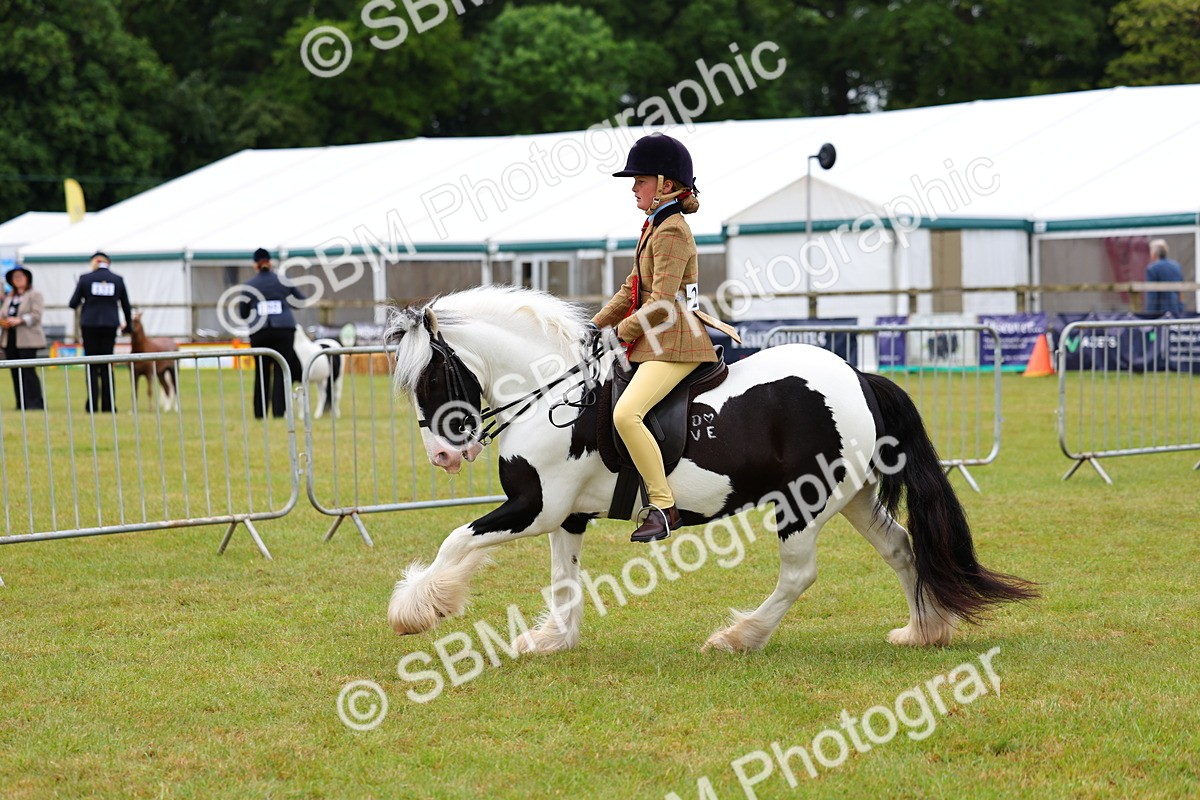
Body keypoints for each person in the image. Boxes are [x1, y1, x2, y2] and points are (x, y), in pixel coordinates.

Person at [592, 133, 729, 543]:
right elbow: (631, 288)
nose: (633, 186)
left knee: (625, 414)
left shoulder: (671, 231)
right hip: (659, 338)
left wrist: (618, 333)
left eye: (640, 179)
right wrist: (592, 326)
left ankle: (664, 507)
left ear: (666, 185)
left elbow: (662, 304)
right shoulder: (655, 224)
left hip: (677, 340)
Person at [240, 248, 307, 418]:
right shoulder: (282, 280)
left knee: (261, 372)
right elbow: (300, 301)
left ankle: (259, 413)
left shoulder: (249, 285)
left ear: (255, 265)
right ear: (270, 262)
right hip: (284, 330)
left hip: (259, 332)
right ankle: (279, 412)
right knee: (281, 370)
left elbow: (243, 313)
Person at [68, 251, 132, 412]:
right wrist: (128, 324)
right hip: (110, 325)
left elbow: (73, 303)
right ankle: (109, 404)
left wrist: (85, 297)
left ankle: (92, 404)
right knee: (106, 365)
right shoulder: (117, 279)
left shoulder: (85, 278)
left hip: (90, 325)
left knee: (91, 364)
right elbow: (126, 305)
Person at [1, 264, 46, 410]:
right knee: (14, 370)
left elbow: (36, 315)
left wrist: (19, 320)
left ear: (27, 278)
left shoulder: (35, 295)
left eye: (21, 276)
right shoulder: (10, 297)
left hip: (27, 338)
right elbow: (3, 313)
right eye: (15, 277)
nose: (18, 279)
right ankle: (20, 402)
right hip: (10, 337)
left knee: (28, 371)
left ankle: (34, 402)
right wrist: (5, 320)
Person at [1144, 239, 1185, 314]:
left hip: (1159, 313)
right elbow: (1181, 293)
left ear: (1153, 253)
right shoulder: (1176, 266)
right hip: (1176, 311)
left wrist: (1149, 315)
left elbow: (1152, 296)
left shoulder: (1152, 269)